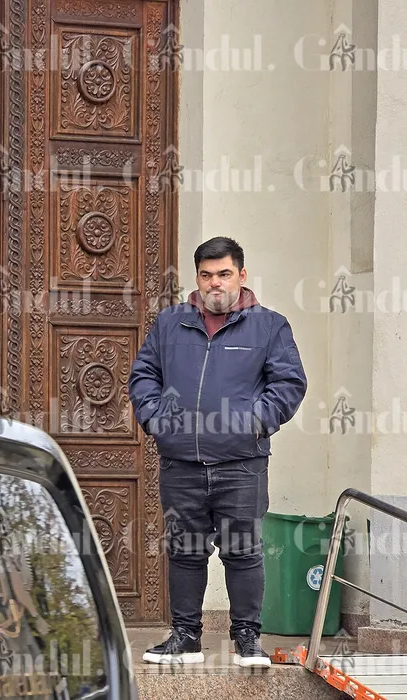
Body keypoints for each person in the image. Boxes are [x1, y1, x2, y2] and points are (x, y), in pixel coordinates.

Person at [128, 236, 307, 668]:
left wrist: (252, 423)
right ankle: (185, 637)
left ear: (241, 275)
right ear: (197, 278)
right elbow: (144, 374)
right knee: (185, 551)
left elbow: (289, 383)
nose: (215, 283)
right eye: (206, 275)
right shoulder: (170, 323)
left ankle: (247, 638)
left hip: (242, 464)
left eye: (224, 274)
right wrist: (157, 420)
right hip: (181, 463)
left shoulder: (269, 326)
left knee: (243, 552)